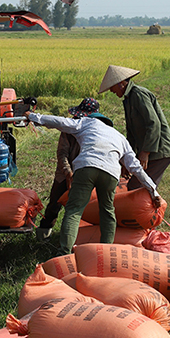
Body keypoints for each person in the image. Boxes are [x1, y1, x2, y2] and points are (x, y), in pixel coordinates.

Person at [26, 98, 162, 256]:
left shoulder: (86, 123)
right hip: (111, 174)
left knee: (74, 211)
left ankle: (63, 253)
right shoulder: (119, 137)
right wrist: (153, 191)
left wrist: (33, 117)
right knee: (107, 212)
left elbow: (59, 122)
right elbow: (136, 167)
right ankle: (106, 253)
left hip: (87, 167)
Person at [36, 98, 113, 241]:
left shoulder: (99, 129)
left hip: (87, 170)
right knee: (55, 202)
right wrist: (68, 172)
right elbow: (62, 153)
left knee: (81, 206)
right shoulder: (69, 129)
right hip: (65, 172)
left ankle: (77, 236)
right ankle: (44, 233)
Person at [98, 65, 170, 191]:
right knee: (143, 185)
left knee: (138, 186)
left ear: (120, 84)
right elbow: (132, 134)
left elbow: (153, 124)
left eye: (112, 87)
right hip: (151, 150)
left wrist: (144, 153)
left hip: (160, 150)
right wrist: (127, 160)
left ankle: (152, 209)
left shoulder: (138, 94)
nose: (111, 91)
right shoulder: (128, 99)